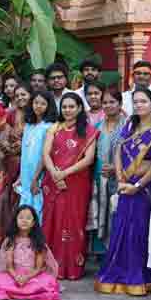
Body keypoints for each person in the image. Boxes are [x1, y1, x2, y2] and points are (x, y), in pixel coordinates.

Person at [96, 87, 151, 295]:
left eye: (143, 101)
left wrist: (137, 185)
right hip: (124, 185)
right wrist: (120, 179)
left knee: (138, 230)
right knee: (121, 229)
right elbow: (118, 150)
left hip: (143, 188)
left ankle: (140, 276)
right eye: (135, 102)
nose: (138, 105)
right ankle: (119, 272)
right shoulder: (130, 125)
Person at [41, 93, 97, 280]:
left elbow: (88, 159)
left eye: (71, 106)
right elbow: (46, 154)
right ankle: (51, 266)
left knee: (74, 223)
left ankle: (71, 267)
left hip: (76, 183)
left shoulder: (88, 131)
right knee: (53, 221)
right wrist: (55, 173)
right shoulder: (54, 128)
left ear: (80, 108)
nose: (67, 110)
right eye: (64, 107)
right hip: (53, 181)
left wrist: (64, 173)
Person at [0, 205, 61, 300]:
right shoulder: (11, 240)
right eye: (21, 217)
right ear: (16, 221)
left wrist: (27, 277)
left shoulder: (38, 242)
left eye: (28, 218)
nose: (24, 220)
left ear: (33, 222)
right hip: (14, 275)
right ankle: (27, 292)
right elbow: (9, 266)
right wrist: (16, 276)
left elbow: (38, 268)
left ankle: (17, 291)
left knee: (48, 281)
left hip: (33, 276)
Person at [88, 85, 126, 257]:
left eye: (112, 102)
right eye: (105, 102)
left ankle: (116, 253)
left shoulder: (128, 126)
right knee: (99, 210)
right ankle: (101, 253)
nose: (108, 105)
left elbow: (133, 153)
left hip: (120, 176)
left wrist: (116, 167)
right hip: (99, 175)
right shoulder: (96, 126)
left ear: (120, 103)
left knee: (116, 213)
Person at [0, 86, 30, 244]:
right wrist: (6, 145)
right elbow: (4, 136)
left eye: (24, 94)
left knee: (21, 199)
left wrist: (23, 146)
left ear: (30, 95)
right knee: (5, 199)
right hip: (10, 162)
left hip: (27, 163)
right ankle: (4, 237)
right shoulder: (11, 114)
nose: (20, 97)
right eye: (17, 95)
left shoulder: (34, 114)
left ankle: (23, 238)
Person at [17, 92, 56, 218]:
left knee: (38, 206)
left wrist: (35, 179)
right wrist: (20, 177)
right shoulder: (28, 125)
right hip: (26, 173)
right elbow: (25, 154)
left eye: (43, 103)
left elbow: (45, 156)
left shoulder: (49, 127)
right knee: (25, 206)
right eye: (36, 103)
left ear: (49, 106)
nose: (38, 106)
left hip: (39, 175)